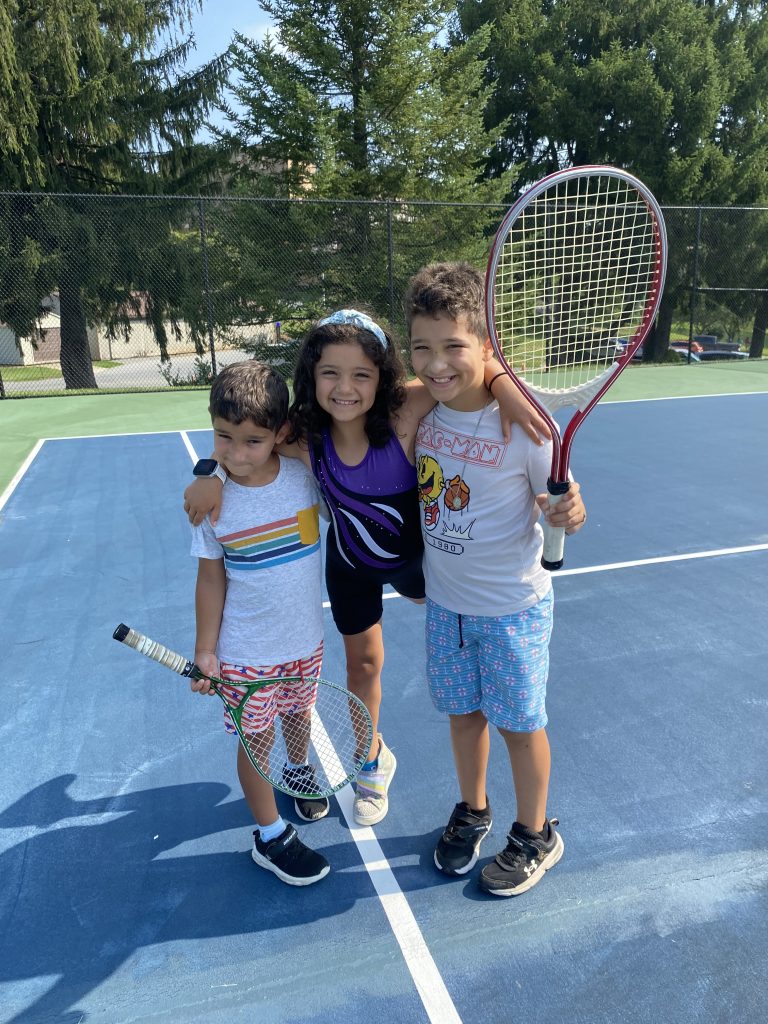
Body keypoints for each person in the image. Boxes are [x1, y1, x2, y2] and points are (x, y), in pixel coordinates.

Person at [185, 311, 550, 828]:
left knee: (443, 624)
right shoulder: (303, 437)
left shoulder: (406, 412)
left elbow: (460, 373)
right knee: (364, 665)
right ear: (311, 376)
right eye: (329, 372)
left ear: (384, 377)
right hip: (351, 566)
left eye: (361, 374)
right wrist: (210, 471)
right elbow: (245, 444)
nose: (345, 388)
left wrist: (505, 385)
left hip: (417, 563)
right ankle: (371, 760)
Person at [405, 261, 587, 896]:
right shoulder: (422, 414)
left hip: (513, 608)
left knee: (519, 723)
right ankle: (473, 809)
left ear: (488, 346)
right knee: (463, 716)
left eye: (454, 346)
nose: (436, 364)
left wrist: (571, 509)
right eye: (422, 348)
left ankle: (536, 832)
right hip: (446, 606)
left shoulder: (528, 428)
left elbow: (565, 501)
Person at [190, 360, 330, 886]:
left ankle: (297, 770)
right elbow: (210, 580)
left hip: (304, 641)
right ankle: (270, 836)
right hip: (246, 653)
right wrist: (207, 651)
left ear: (280, 434)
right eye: (223, 437)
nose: (236, 452)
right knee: (255, 744)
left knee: (299, 714)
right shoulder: (214, 504)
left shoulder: (304, 478)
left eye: (253, 440)